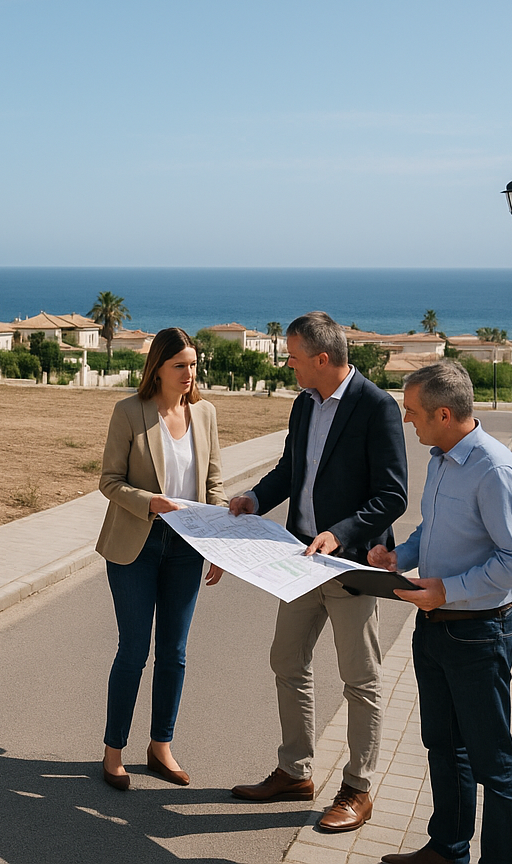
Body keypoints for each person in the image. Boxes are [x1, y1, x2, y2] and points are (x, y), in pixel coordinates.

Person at [228, 311, 407, 834]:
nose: (289, 366)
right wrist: (255, 498)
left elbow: (393, 494)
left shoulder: (376, 407)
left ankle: (357, 788)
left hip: (348, 566)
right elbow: (292, 469)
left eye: (294, 357)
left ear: (323, 359)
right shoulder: (304, 405)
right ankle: (294, 771)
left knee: (360, 680)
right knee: (287, 660)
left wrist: (344, 532)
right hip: (298, 561)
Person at [369, 360, 512, 864]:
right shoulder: (442, 458)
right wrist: (403, 557)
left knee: (493, 764)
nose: (405, 418)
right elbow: (432, 530)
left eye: (412, 410)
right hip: (435, 629)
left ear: (444, 413)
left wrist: (448, 590)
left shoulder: (497, 470)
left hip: (480, 634)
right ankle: (447, 849)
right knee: (443, 746)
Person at [97, 327, 226, 791]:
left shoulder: (206, 414)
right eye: (180, 365)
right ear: (159, 367)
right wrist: (149, 501)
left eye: (193, 364)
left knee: (174, 652)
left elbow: (214, 485)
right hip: (136, 546)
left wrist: (219, 545)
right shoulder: (129, 412)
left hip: (186, 549)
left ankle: (160, 747)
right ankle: (114, 753)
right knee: (133, 651)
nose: (190, 373)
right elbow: (109, 482)